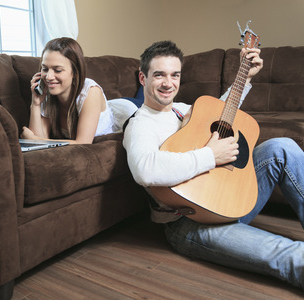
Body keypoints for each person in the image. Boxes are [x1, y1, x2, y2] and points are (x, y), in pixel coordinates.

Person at [123, 40, 304, 289]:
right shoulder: (141, 124)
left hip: (226, 198)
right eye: (159, 75)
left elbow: (221, 112)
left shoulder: (182, 110)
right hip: (190, 222)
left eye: (175, 75)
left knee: (281, 147)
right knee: (292, 255)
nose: (168, 83)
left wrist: (245, 78)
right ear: (143, 78)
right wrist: (210, 155)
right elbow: (145, 170)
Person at [21, 37, 137, 144]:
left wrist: (34, 139)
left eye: (57, 70)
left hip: (127, 108)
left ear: (75, 73)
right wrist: (35, 104)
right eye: (45, 69)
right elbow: (37, 146)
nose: (48, 77)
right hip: (108, 105)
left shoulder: (90, 91)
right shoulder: (49, 93)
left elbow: (82, 144)